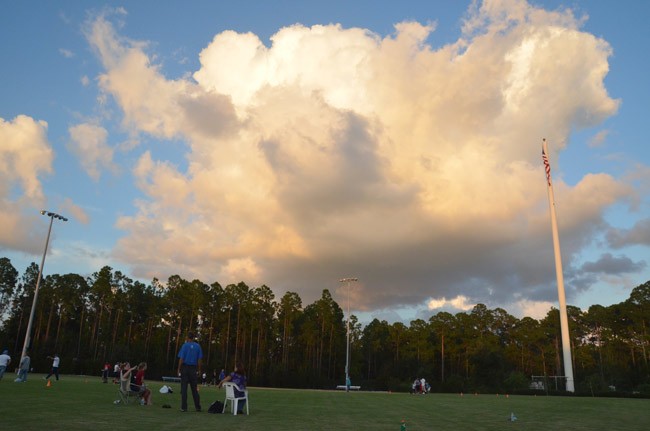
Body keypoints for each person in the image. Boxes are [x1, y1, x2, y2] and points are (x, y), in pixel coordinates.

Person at [177, 332, 202, 412]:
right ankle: (197, 407)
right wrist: (199, 369)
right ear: (193, 338)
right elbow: (199, 359)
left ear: (187, 337)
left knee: (184, 388)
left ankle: (184, 407)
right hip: (193, 369)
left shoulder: (185, 345)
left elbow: (181, 358)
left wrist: (178, 369)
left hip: (185, 368)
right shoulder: (198, 346)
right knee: (194, 389)